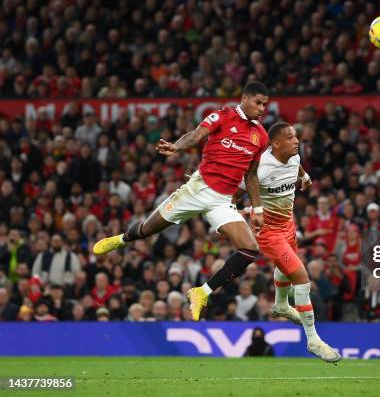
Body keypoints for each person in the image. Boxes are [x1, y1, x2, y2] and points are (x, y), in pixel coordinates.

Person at [93, 81, 270, 321]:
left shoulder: (260, 135)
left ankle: (201, 292)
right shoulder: (223, 116)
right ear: (244, 99)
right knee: (147, 229)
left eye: (265, 105)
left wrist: (257, 207)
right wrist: (176, 146)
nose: (261, 108)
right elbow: (197, 135)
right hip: (197, 190)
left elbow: (251, 174)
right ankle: (122, 240)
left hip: (222, 200)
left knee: (250, 249)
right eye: (258, 102)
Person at [234, 121, 341, 363]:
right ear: (276, 144)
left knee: (287, 269)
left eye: (296, 137)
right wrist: (237, 212)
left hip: (288, 225)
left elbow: (297, 166)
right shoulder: (260, 168)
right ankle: (314, 341)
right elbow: (236, 193)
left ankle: (281, 306)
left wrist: (305, 177)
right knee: (301, 278)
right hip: (268, 231)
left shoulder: (293, 157)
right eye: (291, 138)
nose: (297, 141)